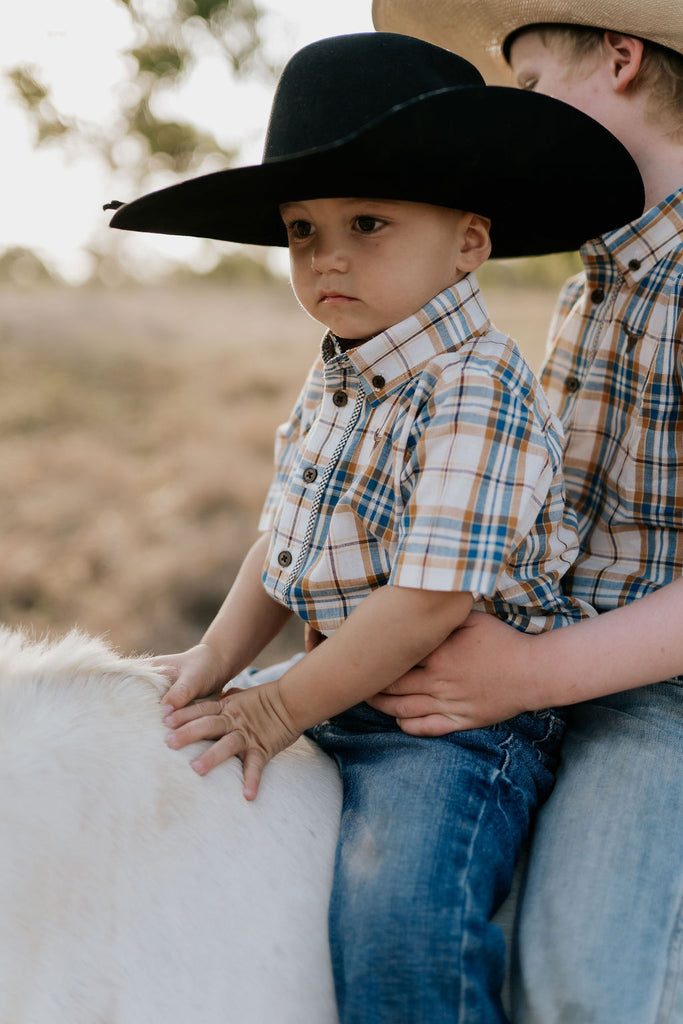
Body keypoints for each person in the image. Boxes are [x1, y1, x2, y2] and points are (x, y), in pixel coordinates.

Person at [107, 31, 642, 1024]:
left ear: (468, 242)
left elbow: (428, 599)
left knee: (397, 909)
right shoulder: (343, 367)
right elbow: (285, 538)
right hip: (334, 677)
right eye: (302, 230)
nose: (327, 257)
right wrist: (214, 663)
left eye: (366, 222)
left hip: (447, 722)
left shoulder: (475, 386)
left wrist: (276, 710)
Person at [371, 3, 683, 1021]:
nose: (518, 119)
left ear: (621, 62)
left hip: (658, 696)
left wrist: (524, 672)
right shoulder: (593, 285)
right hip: (552, 645)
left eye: (530, 85)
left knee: (582, 986)